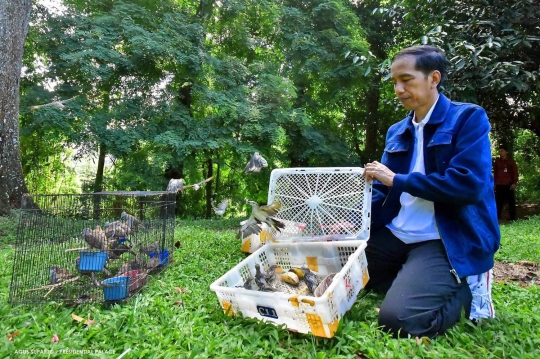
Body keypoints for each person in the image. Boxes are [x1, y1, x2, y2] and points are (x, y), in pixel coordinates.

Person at [361, 45, 500, 338]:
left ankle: (471, 291)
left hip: (443, 237)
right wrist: (354, 221)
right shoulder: (397, 131)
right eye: (394, 82)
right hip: (397, 233)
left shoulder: (468, 119)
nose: (399, 89)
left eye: (407, 79)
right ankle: (413, 277)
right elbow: (382, 193)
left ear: (433, 78)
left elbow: (468, 185)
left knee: (397, 320)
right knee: (343, 275)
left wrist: (397, 179)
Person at [493, 145, 518, 221]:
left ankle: (512, 217)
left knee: (511, 201)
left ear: (506, 152)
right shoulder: (497, 161)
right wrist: (494, 183)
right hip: (499, 184)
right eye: (499, 151)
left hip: (508, 184)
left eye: (502, 151)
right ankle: (497, 217)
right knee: (498, 201)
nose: (500, 152)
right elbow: (495, 173)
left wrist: (514, 183)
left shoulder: (511, 161)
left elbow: (515, 173)